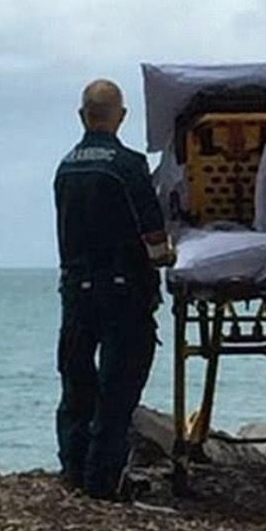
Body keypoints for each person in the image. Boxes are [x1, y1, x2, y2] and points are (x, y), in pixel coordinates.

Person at [53, 79, 171, 500]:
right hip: (123, 291)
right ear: (121, 116)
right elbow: (154, 236)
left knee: (77, 381)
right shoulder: (128, 166)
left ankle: (73, 468)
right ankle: (104, 478)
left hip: (76, 288)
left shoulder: (65, 167)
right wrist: (168, 258)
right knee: (118, 386)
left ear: (82, 115)